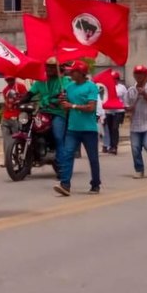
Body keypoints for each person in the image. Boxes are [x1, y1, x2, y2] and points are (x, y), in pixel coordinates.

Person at [53, 61, 103, 196]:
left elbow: (91, 107)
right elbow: (65, 105)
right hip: (72, 129)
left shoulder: (91, 87)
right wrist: (61, 101)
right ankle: (65, 184)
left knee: (93, 158)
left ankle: (95, 183)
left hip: (89, 129)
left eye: (73, 71)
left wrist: (72, 106)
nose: (70, 73)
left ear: (81, 73)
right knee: (68, 155)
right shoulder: (69, 87)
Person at [24, 59, 67, 173]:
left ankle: (63, 169)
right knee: (31, 129)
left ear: (58, 68)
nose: (49, 69)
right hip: (43, 112)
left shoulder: (64, 81)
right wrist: (20, 101)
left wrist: (60, 98)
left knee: (58, 136)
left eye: (52, 67)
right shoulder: (40, 82)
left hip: (58, 112)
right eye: (48, 66)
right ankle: (30, 157)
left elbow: (66, 94)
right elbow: (30, 93)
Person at [0, 76, 28, 168]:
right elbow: (7, 103)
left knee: (18, 140)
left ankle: (21, 159)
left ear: (14, 79)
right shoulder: (5, 90)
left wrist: (19, 102)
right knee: (6, 141)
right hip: (6, 117)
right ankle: (7, 161)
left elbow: (27, 99)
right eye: (7, 80)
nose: (9, 81)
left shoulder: (21, 87)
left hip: (17, 117)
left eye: (11, 79)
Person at [102, 71, 126, 155]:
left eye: (115, 79)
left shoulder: (121, 88)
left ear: (117, 79)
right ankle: (109, 145)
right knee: (109, 129)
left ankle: (114, 147)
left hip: (118, 111)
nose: (113, 80)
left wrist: (125, 110)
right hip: (108, 111)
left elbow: (125, 99)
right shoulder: (106, 87)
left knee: (115, 128)